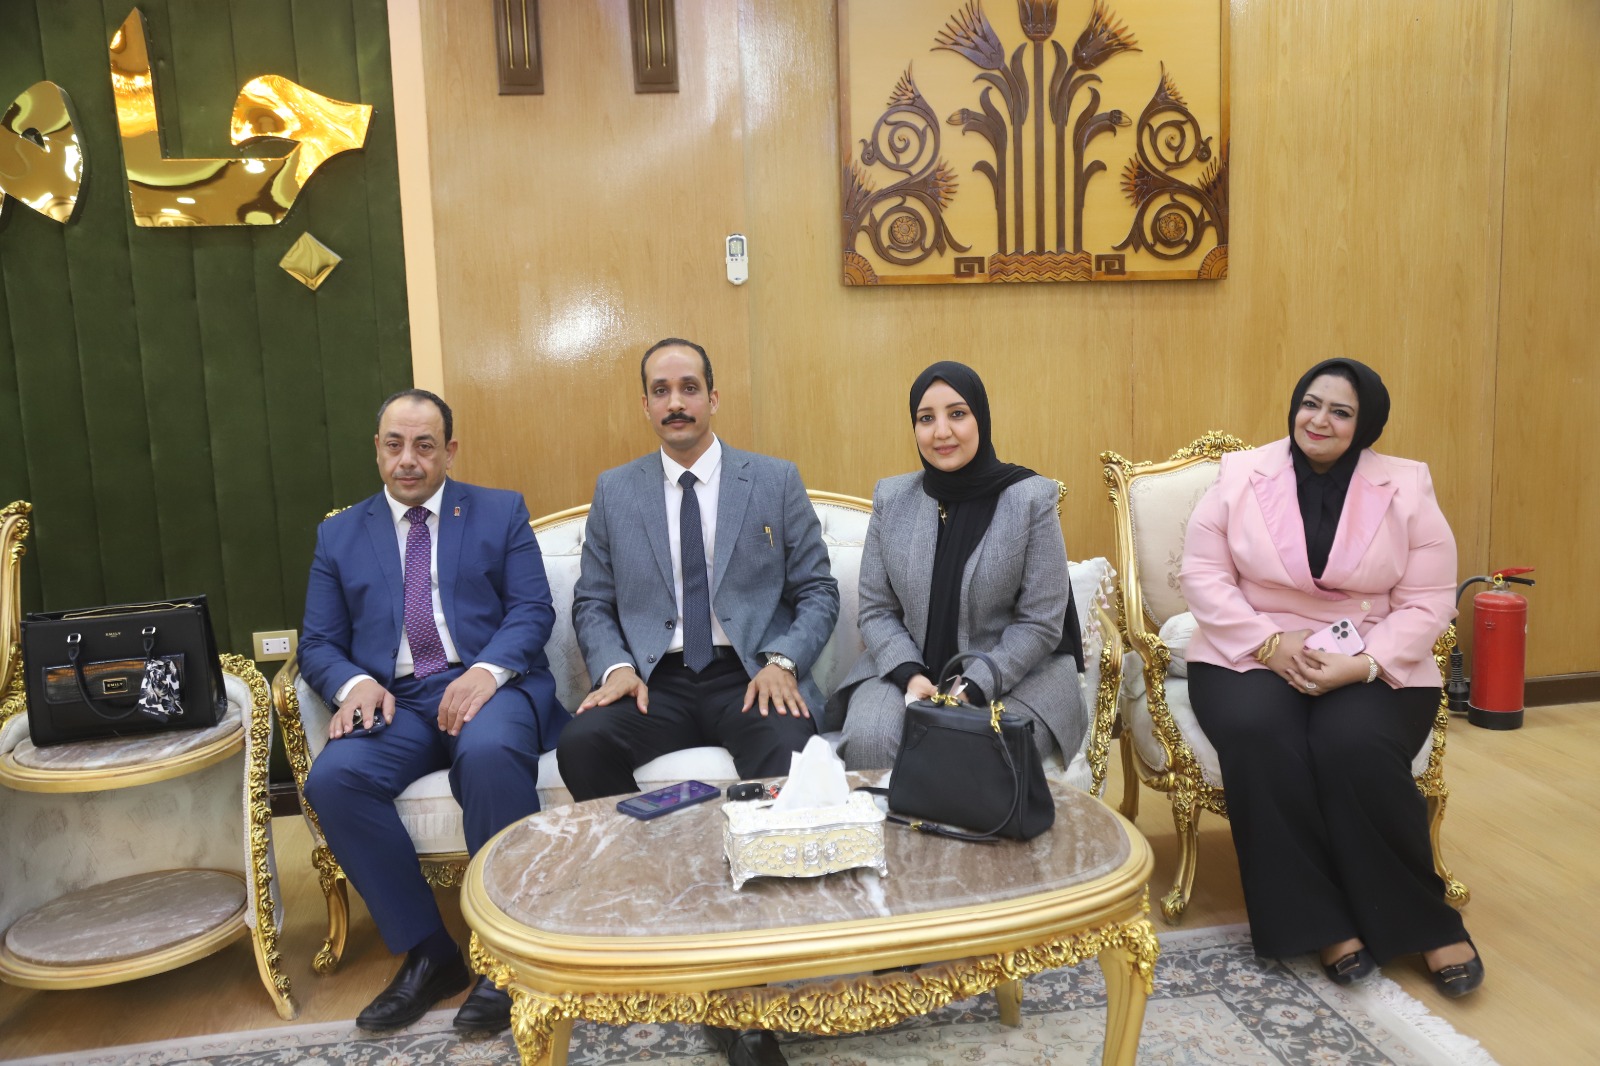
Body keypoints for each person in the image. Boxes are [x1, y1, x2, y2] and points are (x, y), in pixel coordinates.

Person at [558, 337, 839, 1066]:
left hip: (747, 676)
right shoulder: (617, 490)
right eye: (661, 390)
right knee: (582, 744)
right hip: (656, 681)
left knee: (790, 750)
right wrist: (617, 666)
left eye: (689, 387)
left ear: (714, 397)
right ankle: (657, 906)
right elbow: (592, 601)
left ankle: (754, 973)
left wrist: (781, 660)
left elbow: (818, 590)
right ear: (645, 404)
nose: (675, 402)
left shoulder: (772, 479)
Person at [1179, 358, 1483, 997]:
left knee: (1354, 744)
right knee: (1260, 736)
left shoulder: (1406, 485)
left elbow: (1428, 599)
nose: (1319, 420)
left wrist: (1365, 664)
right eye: (1310, 404)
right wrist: (1268, 643)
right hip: (1250, 645)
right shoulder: (1241, 474)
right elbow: (1201, 574)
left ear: (1365, 424)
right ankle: (1321, 923)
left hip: (1371, 650)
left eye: (1340, 412)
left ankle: (1420, 920)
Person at [299, 389, 568, 1034]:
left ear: (450, 451)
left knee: (489, 754)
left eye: (424, 446)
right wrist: (354, 684)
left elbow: (532, 610)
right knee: (333, 779)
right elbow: (317, 643)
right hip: (397, 700)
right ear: (377, 450)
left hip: (488, 688)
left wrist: (484, 671)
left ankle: (506, 957)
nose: (408, 460)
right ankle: (430, 953)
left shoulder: (500, 512)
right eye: (395, 445)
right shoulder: (339, 534)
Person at [830, 361, 1085, 772]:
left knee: (974, 754)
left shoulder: (1030, 499)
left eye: (957, 414)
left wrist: (972, 688)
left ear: (980, 417)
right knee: (870, 740)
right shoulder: (892, 499)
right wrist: (911, 676)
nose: (942, 431)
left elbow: (1040, 623)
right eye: (926, 418)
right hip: (909, 669)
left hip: (1013, 676)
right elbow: (877, 610)